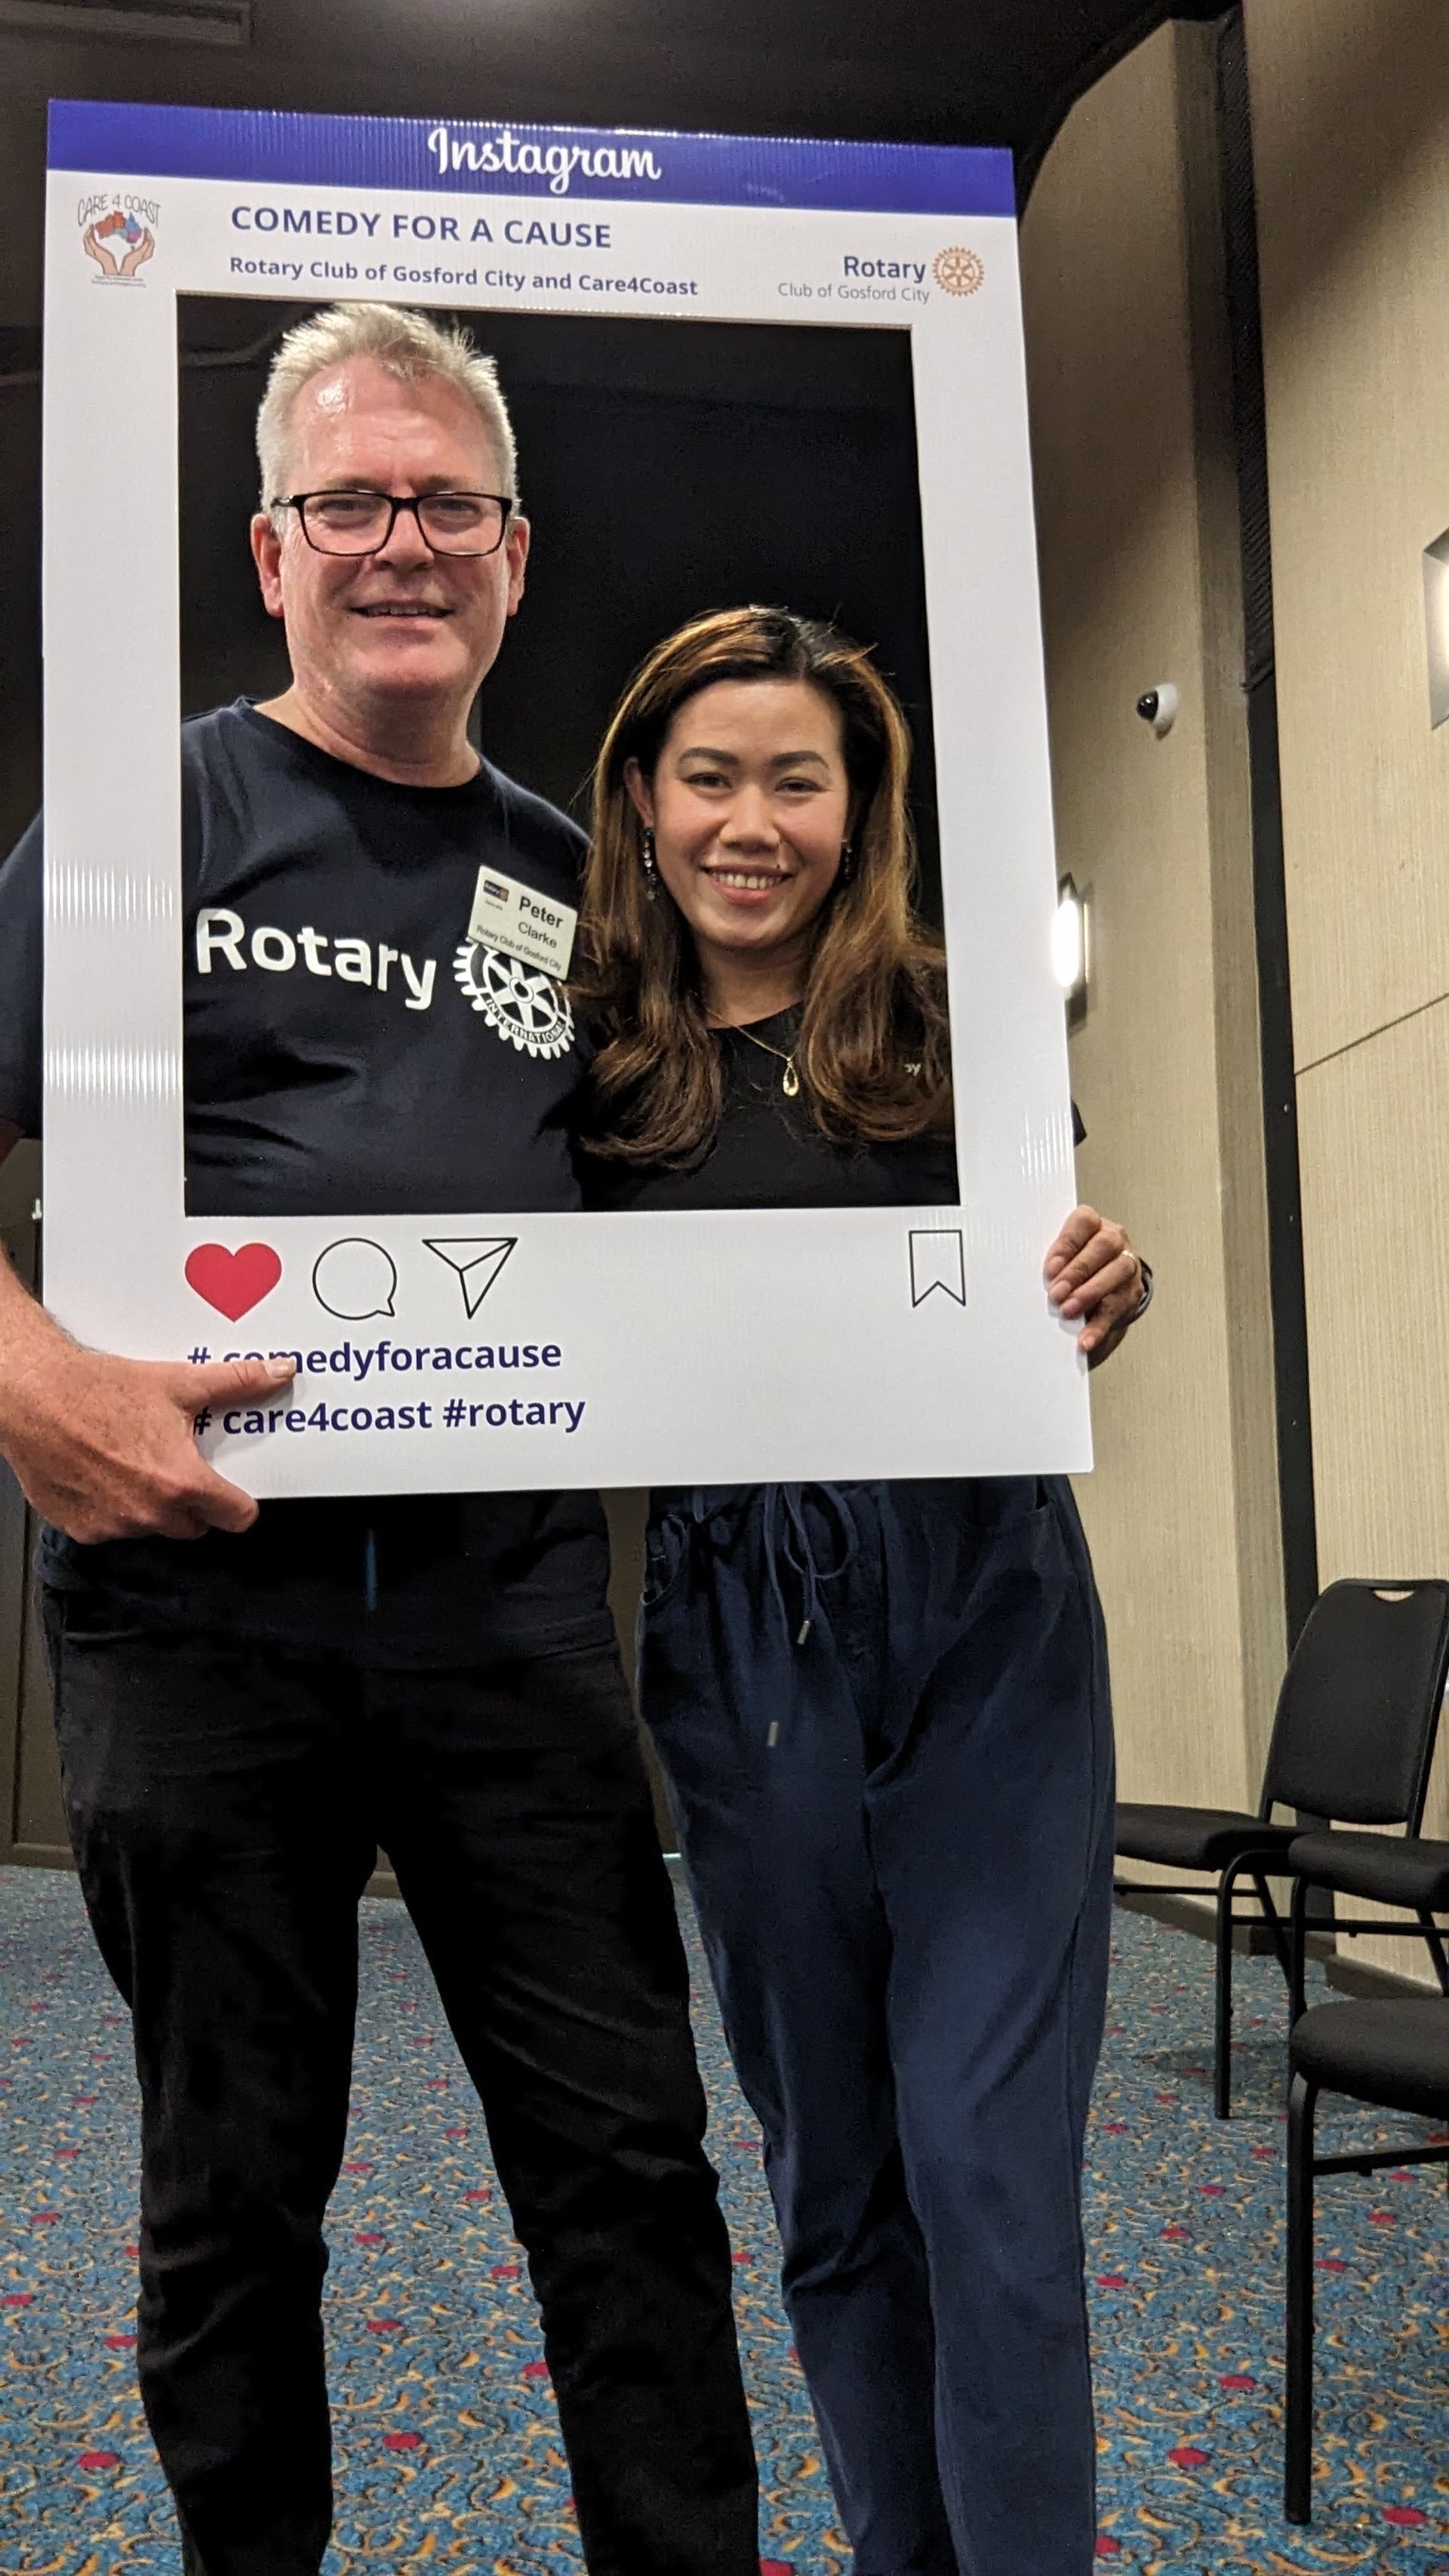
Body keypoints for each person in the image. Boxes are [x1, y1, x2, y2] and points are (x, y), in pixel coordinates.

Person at [0, 309, 757, 2576]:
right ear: (272, 553)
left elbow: (731, 1189)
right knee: (233, 2191)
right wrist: (30, 1378)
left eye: (448, 503)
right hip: (193, 1602)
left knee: (630, 2166)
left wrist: (1016, 1250)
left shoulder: (582, 880)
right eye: (351, 500)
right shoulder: (141, 823)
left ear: (517, 558)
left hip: (505, 1599)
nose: (401, 542)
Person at [575, 606, 1150, 2576]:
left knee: (993, 2179)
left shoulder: (955, 1022)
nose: (753, 823)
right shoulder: (585, 1067)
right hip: (741, 1630)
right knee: (834, 2184)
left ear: (859, 806)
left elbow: (1051, 1282)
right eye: (710, 777)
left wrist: (1106, 1280)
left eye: (797, 781)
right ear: (642, 800)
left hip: (987, 1611)